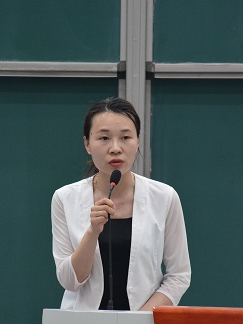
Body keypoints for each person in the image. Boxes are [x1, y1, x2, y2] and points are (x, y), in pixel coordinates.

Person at [51, 97, 191, 311]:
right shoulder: (65, 198)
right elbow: (69, 281)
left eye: (125, 137)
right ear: (87, 144)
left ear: (138, 141)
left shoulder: (164, 197)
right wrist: (92, 232)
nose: (115, 148)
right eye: (104, 138)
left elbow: (179, 275)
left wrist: (138, 321)